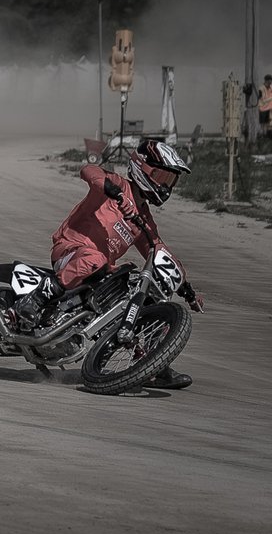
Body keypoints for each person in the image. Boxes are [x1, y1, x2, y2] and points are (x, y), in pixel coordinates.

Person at [13, 140, 205, 389]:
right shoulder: (117, 184)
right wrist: (112, 191)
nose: (165, 186)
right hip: (70, 250)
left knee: (142, 294)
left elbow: (158, 249)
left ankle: (152, 362)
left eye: (170, 180)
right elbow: (88, 171)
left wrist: (186, 289)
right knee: (96, 258)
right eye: (161, 176)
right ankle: (35, 299)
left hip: (99, 272)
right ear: (142, 169)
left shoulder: (143, 218)